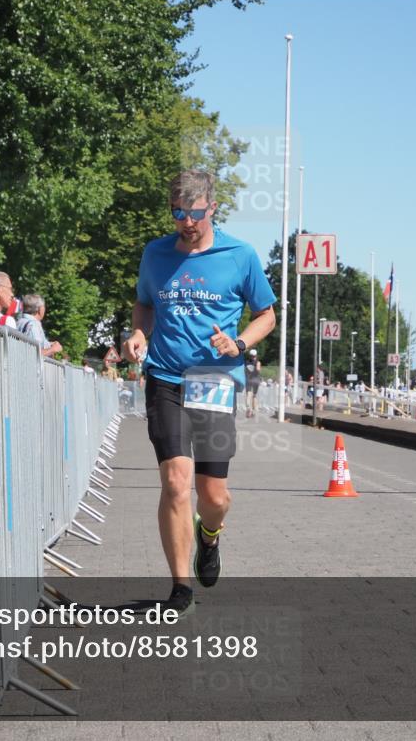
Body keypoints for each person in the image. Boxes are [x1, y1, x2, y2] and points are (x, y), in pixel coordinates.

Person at [122, 170, 276, 615]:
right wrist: (137, 333)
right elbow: (145, 303)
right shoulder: (155, 254)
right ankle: (180, 587)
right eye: (177, 213)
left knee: (214, 497)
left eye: (194, 213)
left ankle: (209, 537)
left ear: (212, 207)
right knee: (175, 482)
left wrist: (240, 342)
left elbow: (266, 315)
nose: (186, 222)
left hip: (213, 379)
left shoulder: (240, 255)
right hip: (165, 377)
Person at [17, 293, 63, 358]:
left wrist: (49, 344)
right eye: (44, 306)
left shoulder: (19, 322)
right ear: (40, 309)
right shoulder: (33, 326)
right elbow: (34, 354)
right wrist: (53, 349)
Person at [244, 348, 262, 418]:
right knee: (254, 396)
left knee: (248, 394)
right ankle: (254, 411)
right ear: (256, 355)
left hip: (248, 380)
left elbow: (244, 370)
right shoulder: (258, 362)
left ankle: (249, 409)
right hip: (255, 380)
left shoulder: (246, 362)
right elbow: (258, 370)